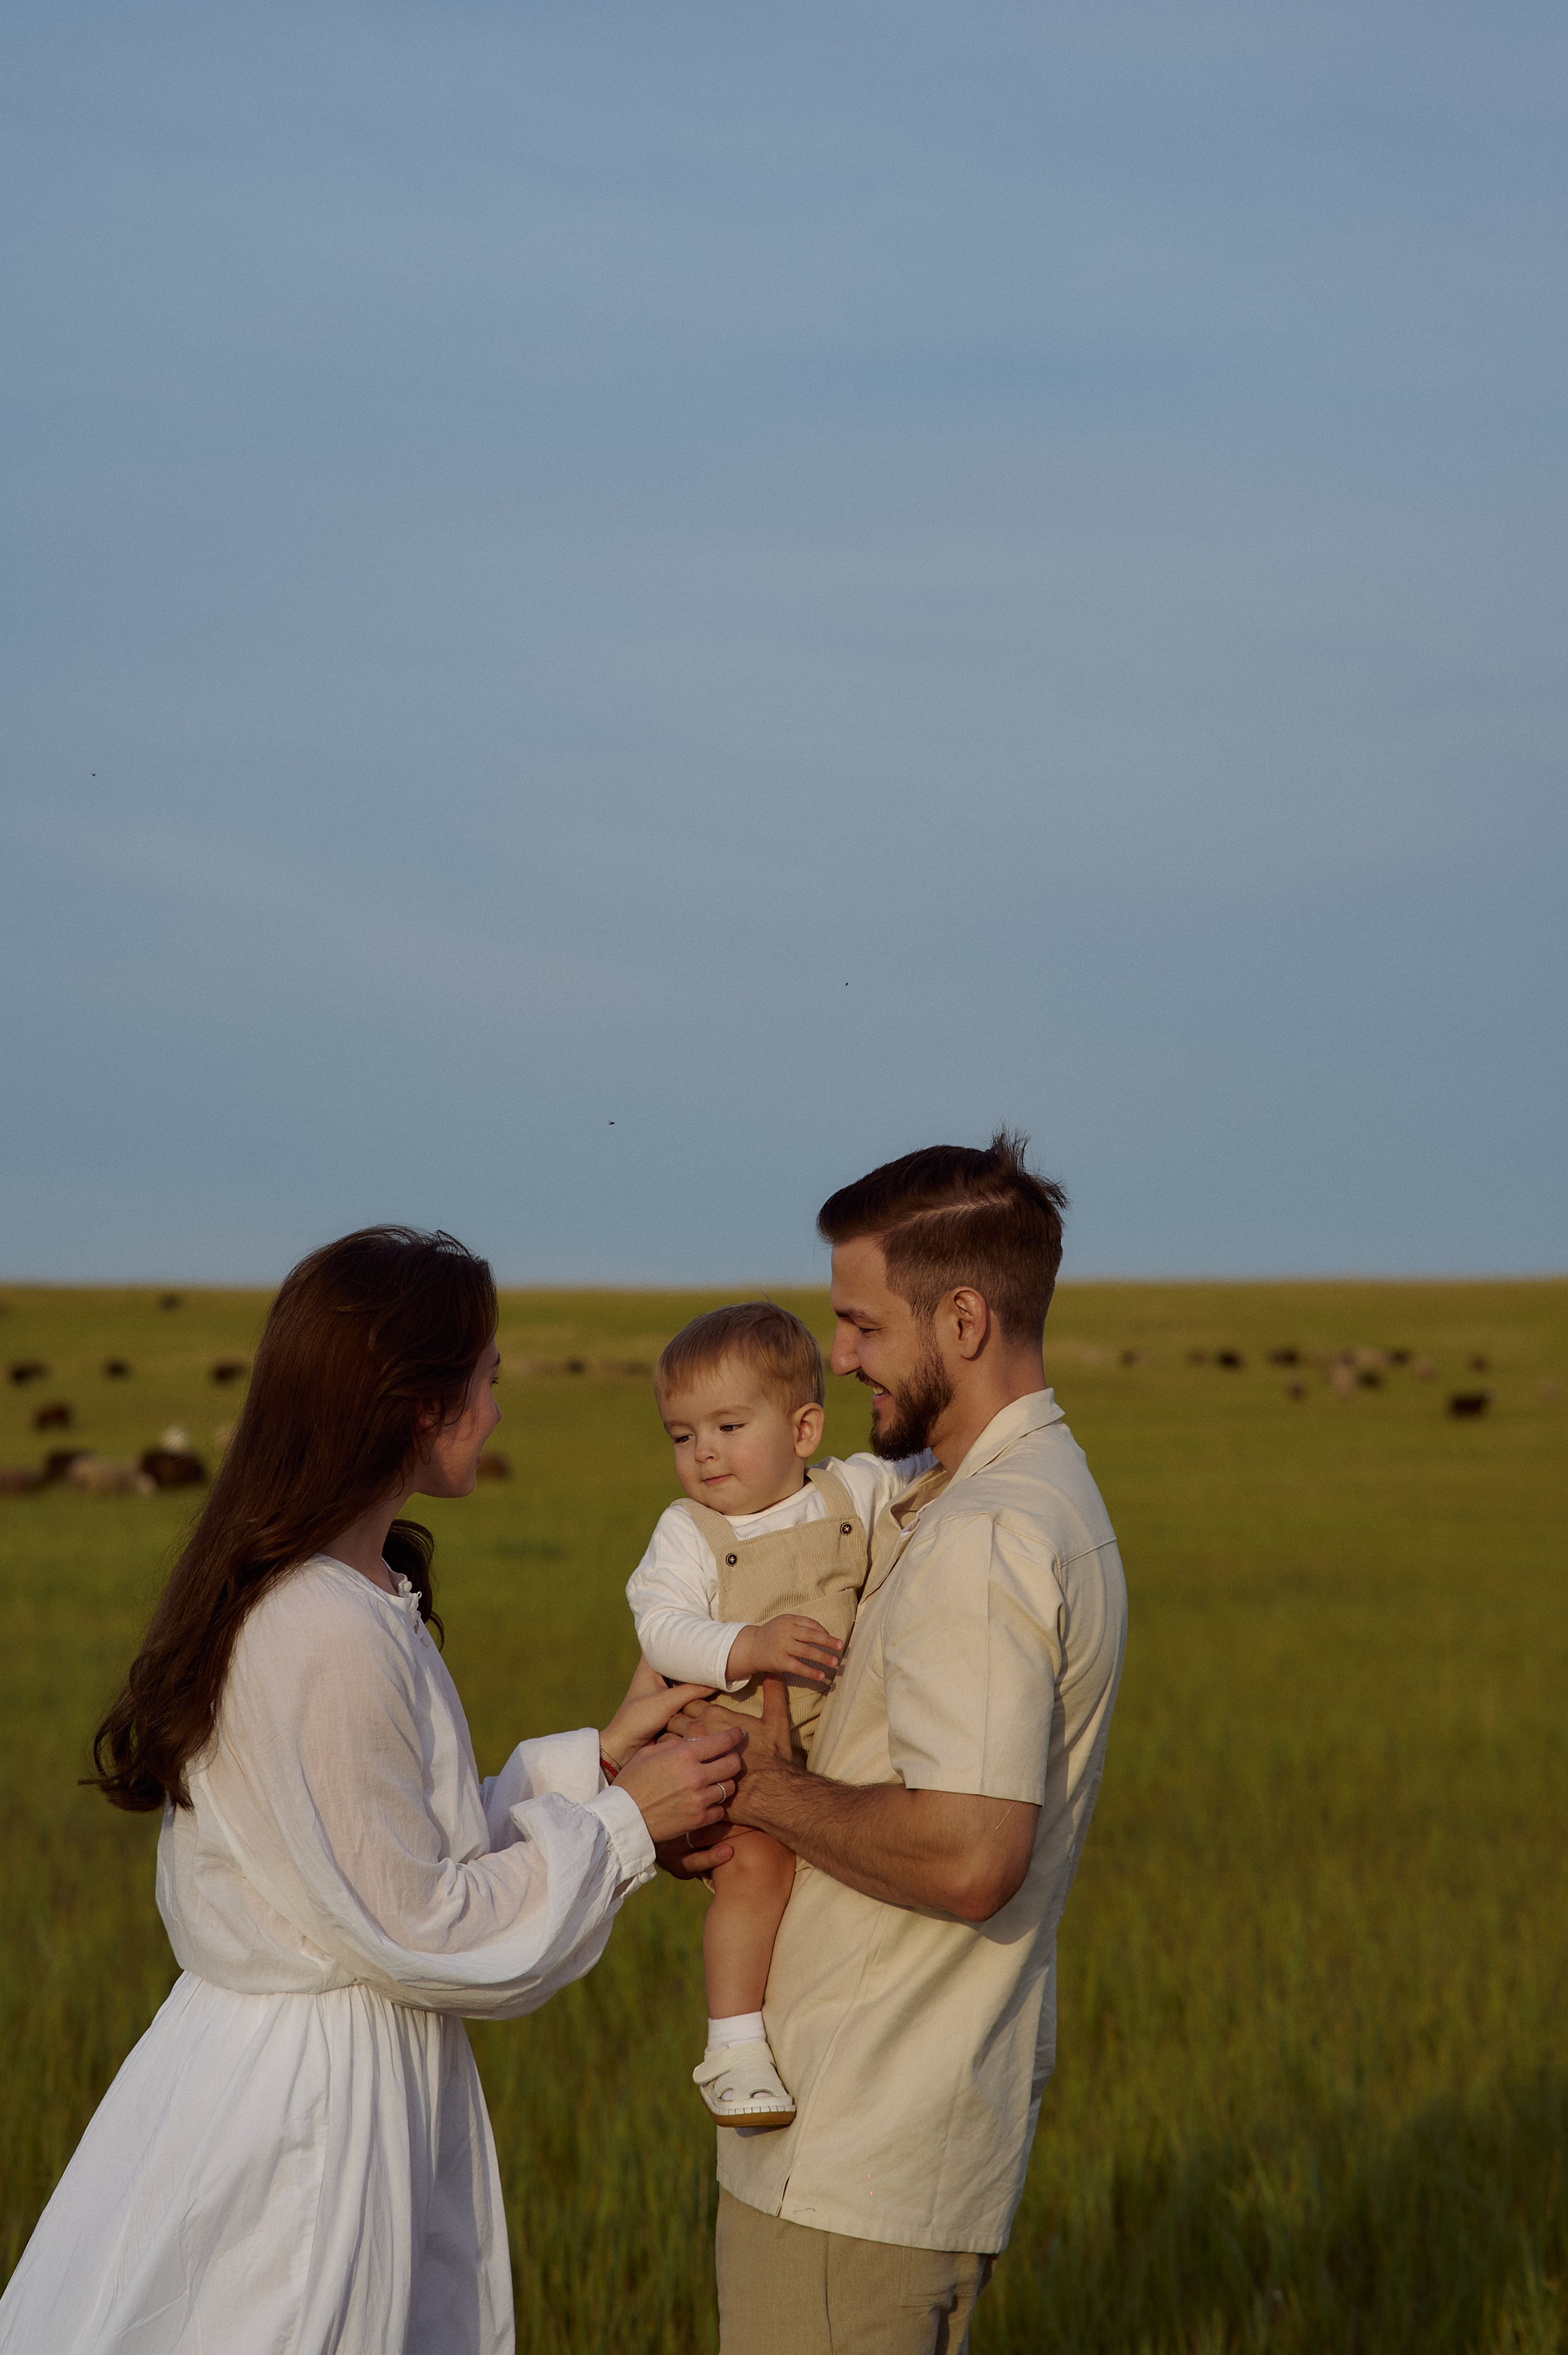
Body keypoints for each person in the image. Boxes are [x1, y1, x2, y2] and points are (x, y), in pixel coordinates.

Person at [0, 1225, 742, 2355]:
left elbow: (385, 1862)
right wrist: (631, 1824)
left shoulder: (348, 1589)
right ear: (415, 1404)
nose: (497, 1413)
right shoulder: (319, 1627)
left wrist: (598, 1759)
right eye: (485, 1381)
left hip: (316, 2069)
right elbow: (415, 1923)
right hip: (310, 2113)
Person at [677, 1134, 1128, 2355]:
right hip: (906, 2136)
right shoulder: (1028, 1492)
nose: (838, 1355)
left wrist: (764, 1791)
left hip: (855, 2149)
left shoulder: (988, 1531)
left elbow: (969, 1852)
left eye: (862, 1322)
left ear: (964, 1317)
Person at [625, 1301, 932, 2127]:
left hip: (834, 1745)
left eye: (728, 1425)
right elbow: (659, 1626)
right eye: (683, 1436)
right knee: (756, 1873)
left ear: (803, 1431)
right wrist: (745, 1647)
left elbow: (935, 1469)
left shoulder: (853, 1488)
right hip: (730, 1750)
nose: (705, 1453)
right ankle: (732, 2049)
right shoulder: (689, 1533)